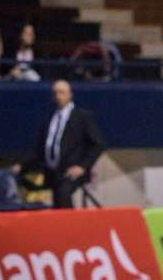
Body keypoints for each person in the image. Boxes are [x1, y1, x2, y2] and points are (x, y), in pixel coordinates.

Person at [14, 80, 106, 208]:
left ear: (70, 94)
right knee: (57, 200)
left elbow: (97, 144)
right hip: (53, 171)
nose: (58, 96)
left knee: (64, 193)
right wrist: (22, 165)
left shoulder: (82, 116)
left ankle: (70, 226)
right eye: (55, 93)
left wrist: (82, 166)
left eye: (62, 92)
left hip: (71, 170)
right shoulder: (49, 117)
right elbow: (40, 149)